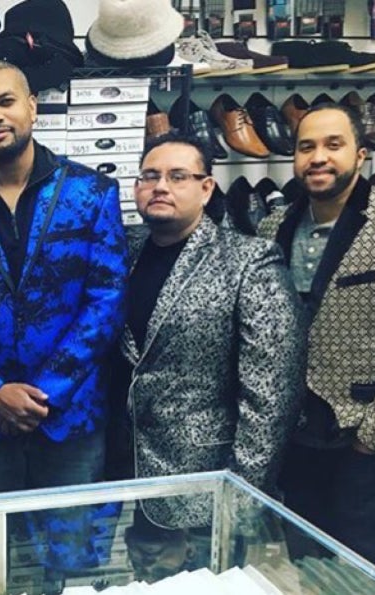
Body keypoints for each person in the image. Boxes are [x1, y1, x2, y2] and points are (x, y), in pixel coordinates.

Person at [0, 60, 127, 578]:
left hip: (70, 416)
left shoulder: (91, 192)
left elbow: (106, 300)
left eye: (6, 101)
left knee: (71, 563)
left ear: (33, 107)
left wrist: (41, 394)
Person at [108, 133, 304, 529]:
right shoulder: (121, 252)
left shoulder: (249, 261)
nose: (160, 186)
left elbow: (272, 395)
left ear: (206, 188)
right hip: (121, 476)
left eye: (178, 176)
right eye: (150, 176)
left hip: (205, 482)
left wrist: (242, 496)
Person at [259, 104, 375, 577]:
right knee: (308, 569)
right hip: (297, 439)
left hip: (366, 441)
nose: (318, 157)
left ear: (360, 155)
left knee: (368, 574)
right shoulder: (273, 227)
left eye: (333, 145)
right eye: (306, 147)